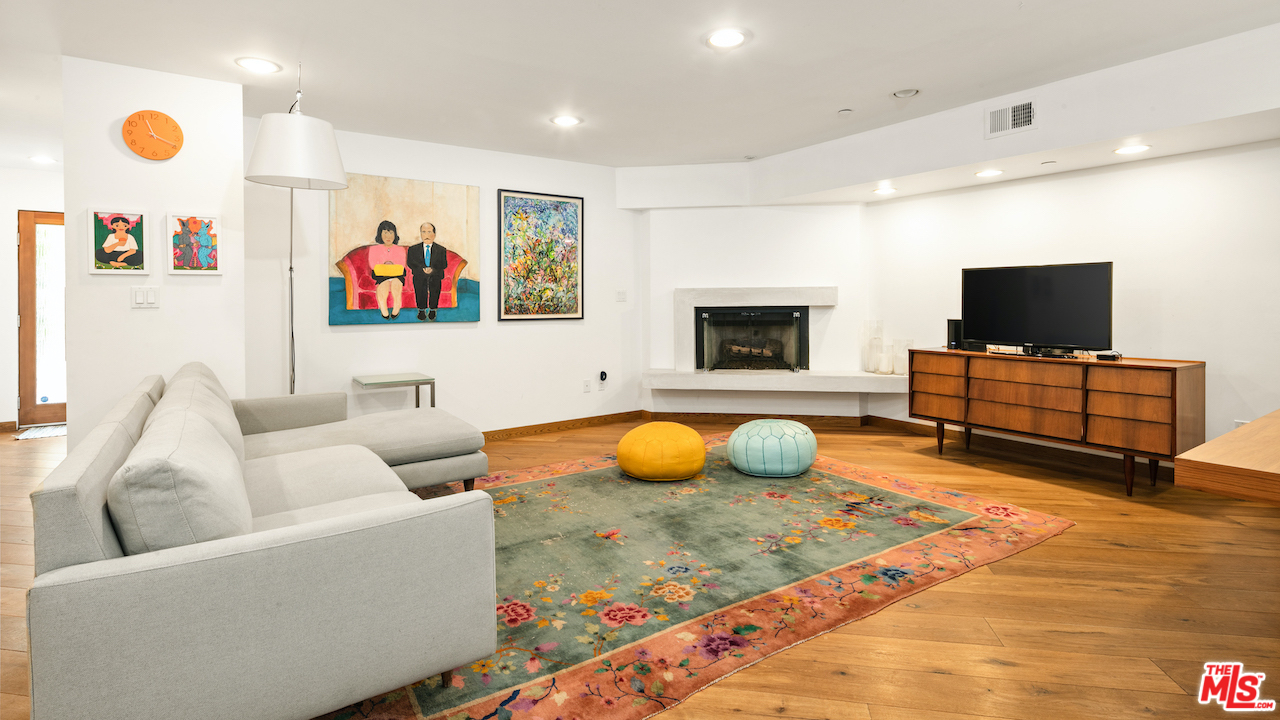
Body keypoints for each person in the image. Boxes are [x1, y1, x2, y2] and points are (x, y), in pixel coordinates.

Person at [406, 221, 448, 321]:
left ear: (434, 234)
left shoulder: (441, 249)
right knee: (420, 285)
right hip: (420, 273)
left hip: (435, 273)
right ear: (420, 234)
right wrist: (422, 268)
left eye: (429, 232)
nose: (426, 235)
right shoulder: (413, 249)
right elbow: (410, 262)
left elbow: (443, 264)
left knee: (435, 285)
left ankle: (433, 309)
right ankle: (421, 309)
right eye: (423, 232)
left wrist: (432, 269)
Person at [368, 220, 408, 319]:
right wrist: (390, 265)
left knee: (396, 285)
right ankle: (384, 312)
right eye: (385, 233)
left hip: (397, 275)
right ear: (380, 234)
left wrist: (385, 265)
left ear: (395, 235)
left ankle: (396, 309)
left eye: (391, 233)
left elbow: (401, 265)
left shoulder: (400, 249)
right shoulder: (374, 249)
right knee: (383, 287)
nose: (388, 236)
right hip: (381, 275)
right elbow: (373, 265)